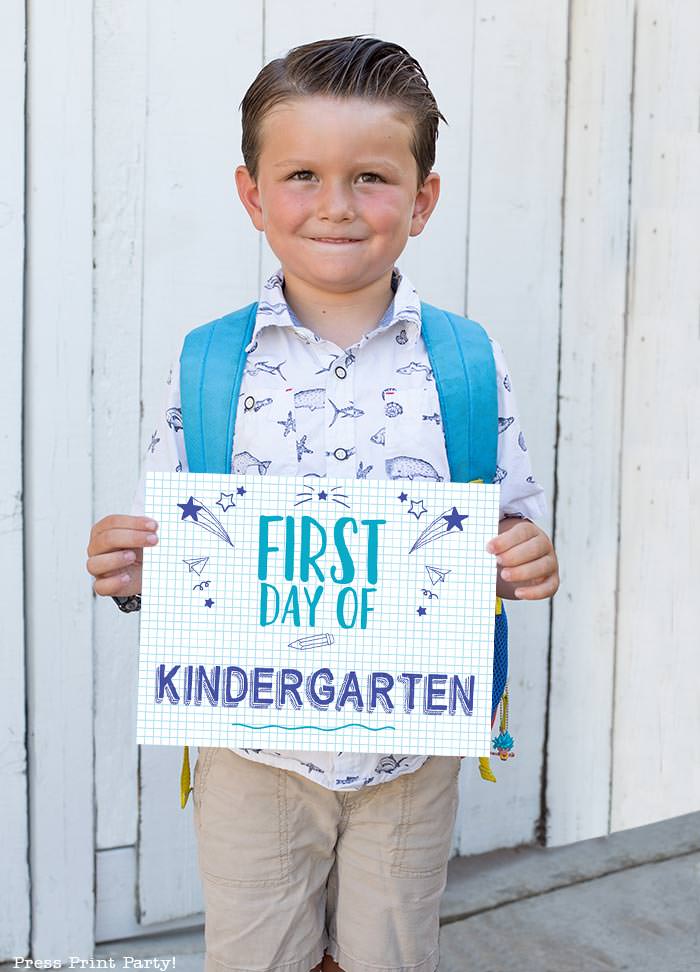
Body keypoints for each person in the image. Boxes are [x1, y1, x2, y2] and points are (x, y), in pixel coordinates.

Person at [87, 35, 559, 972]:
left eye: (373, 178)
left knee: (390, 954)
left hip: (408, 758)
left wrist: (522, 551)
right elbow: (179, 555)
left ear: (422, 199)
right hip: (252, 756)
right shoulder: (210, 364)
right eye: (302, 174)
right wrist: (132, 572)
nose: (337, 205)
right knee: (257, 957)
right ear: (252, 194)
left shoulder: (466, 363)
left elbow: (504, 524)